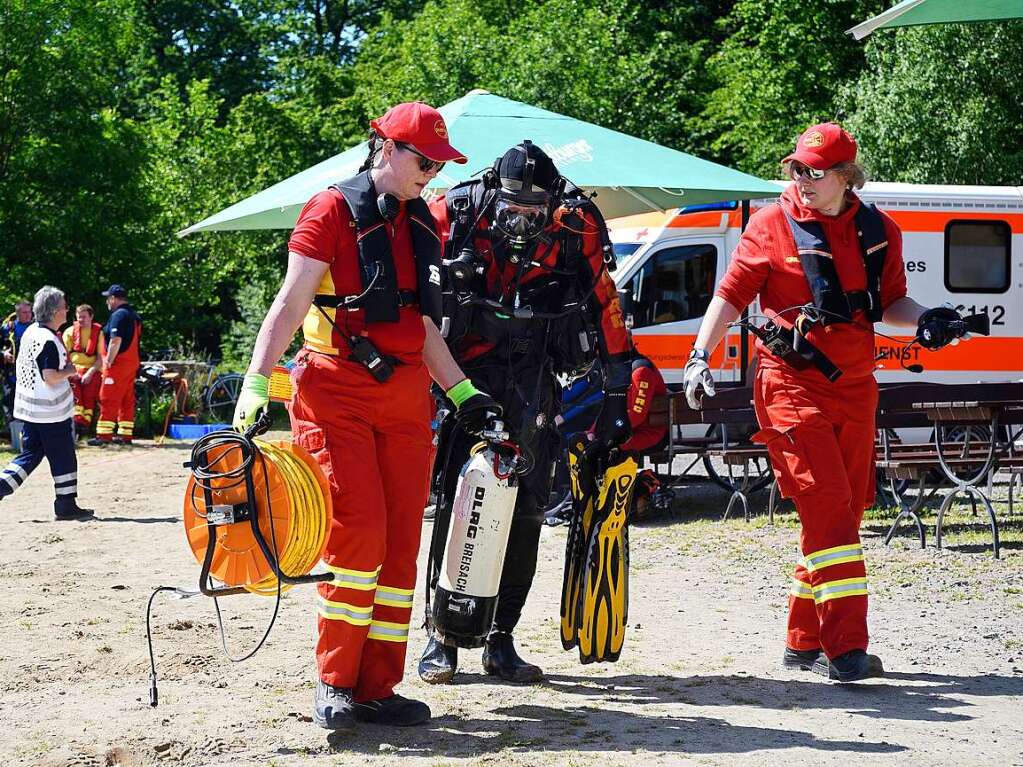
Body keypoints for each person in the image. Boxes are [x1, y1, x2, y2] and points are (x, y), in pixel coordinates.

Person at [231, 101, 500, 729]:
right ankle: (336, 683)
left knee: (402, 544)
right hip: (335, 394)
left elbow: (422, 325)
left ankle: (378, 687)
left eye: (440, 164)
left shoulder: (422, 223)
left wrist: (462, 394)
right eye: (424, 160)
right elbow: (292, 301)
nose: (432, 173)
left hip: (405, 400)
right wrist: (254, 381)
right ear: (386, 148)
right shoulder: (329, 211)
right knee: (359, 535)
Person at [682, 123, 972, 682]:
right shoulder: (770, 224)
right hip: (790, 385)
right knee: (830, 508)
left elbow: (890, 303)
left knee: (841, 511)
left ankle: (802, 640)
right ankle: (846, 649)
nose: (803, 180)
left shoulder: (879, 229)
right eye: (797, 169)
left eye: (816, 172)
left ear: (846, 176)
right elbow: (730, 295)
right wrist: (700, 356)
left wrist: (929, 319)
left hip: (857, 386)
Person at [418, 140, 634, 686]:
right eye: (515, 206)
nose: (524, 218)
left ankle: (501, 638)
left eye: (535, 208)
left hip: (536, 379)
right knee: (458, 503)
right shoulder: (459, 212)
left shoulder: (575, 227)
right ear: (497, 193)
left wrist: (614, 393)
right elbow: (415, 291)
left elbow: (606, 303)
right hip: (466, 381)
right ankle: (440, 638)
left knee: (527, 511)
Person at [0, 287, 93, 520]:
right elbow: (50, 376)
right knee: (63, 457)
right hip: (49, 412)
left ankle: (1, 487)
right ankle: (66, 505)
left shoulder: (32, 331)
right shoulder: (48, 340)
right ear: (53, 312)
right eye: (64, 307)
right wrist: (69, 371)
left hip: (30, 409)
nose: (67, 311)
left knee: (29, 456)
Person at [88, 285, 142, 446]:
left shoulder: (118, 315)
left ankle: (104, 435)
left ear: (113, 298)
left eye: (108, 298)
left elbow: (115, 340)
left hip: (118, 364)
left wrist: (109, 361)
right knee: (127, 399)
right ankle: (125, 435)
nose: (107, 302)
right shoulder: (134, 316)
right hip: (131, 363)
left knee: (108, 398)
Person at [63, 304, 104, 433]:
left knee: (90, 392)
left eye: (84, 317)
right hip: (73, 370)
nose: (81, 320)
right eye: (79, 317)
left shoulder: (99, 333)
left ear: (91, 317)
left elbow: (100, 358)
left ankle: (84, 424)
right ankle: (77, 421)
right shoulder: (69, 332)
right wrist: (71, 371)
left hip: (92, 370)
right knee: (74, 390)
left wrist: (89, 374)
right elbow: (63, 355)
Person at [1, 300, 33, 421]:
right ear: (17, 313)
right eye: (25, 312)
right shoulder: (7, 329)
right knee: (9, 401)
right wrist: (3, 354)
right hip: (11, 374)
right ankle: (12, 430)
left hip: (30, 374)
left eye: (29, 312)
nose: (28, 315)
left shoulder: (36, 328)